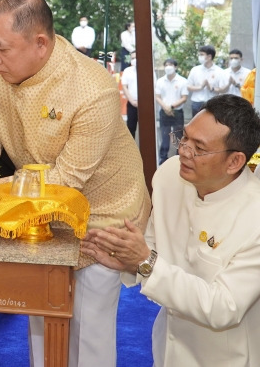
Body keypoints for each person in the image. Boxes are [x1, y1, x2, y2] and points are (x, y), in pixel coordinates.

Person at [0, 0, 151, 367]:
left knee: (87, 331)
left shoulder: (93, 88)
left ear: (40, 43)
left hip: (103, 213)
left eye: (2, 48)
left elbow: (67, 180)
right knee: (42, 319)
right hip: (38, 211)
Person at [81, 94, 260, 367]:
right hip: (168, 349)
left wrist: (145, 262)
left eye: (199, 148)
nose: (184, 152)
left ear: (234, 162)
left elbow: (225, 306)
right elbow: (154, 248)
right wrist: (129, 262)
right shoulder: (170, 176)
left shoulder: (254, 215)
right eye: (184, 138)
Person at [155, 58, 188, 165]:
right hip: (164, 112)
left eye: (170, 65)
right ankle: (163, 158)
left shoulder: (182, 81)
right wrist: (165, 107)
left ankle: (179, 158)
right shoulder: (160, 81)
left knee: (178, 136)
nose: (168, 67)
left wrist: (172, 107)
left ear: (175, 67)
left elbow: (184, 98)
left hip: (177, 112)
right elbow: (157, 96)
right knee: (165, 135)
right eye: (166, 65)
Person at [187, 45, 226, 117]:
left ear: (209, 57)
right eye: (199, 54)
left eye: (202, 54)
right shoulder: (195, 70)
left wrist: (211, 88)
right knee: (196, 126)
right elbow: (189, 87)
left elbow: (222, 89)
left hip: (212, 103)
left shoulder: (220, 71)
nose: (199, 56)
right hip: (197, 103)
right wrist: (200, 87)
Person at [120, 49, 138, 137]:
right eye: (132, 58)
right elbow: (124, 87)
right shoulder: (127, 71)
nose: (134, 60)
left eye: (136, 57)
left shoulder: (149, 70)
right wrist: (132, 101)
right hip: (132, 104)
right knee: (131, 128)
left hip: (145, 105)